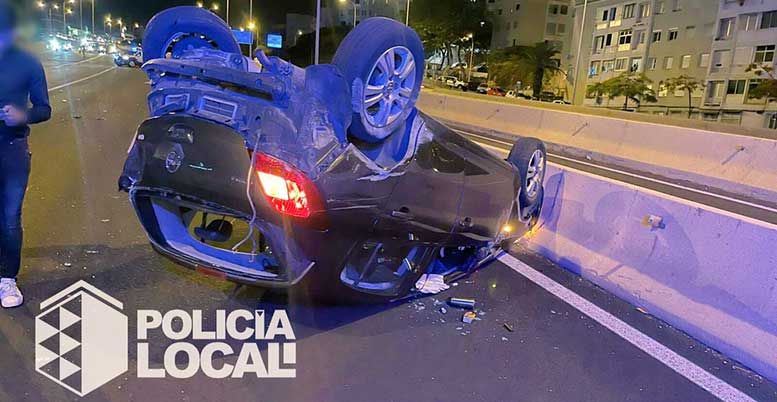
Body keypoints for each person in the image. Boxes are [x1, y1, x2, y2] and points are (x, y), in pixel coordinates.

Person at [0, 2, 51, 308]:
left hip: (12, 150)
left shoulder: (28, 63)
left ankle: (7, 279)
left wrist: (23, 115)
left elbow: (44, 108)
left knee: (8, 218)